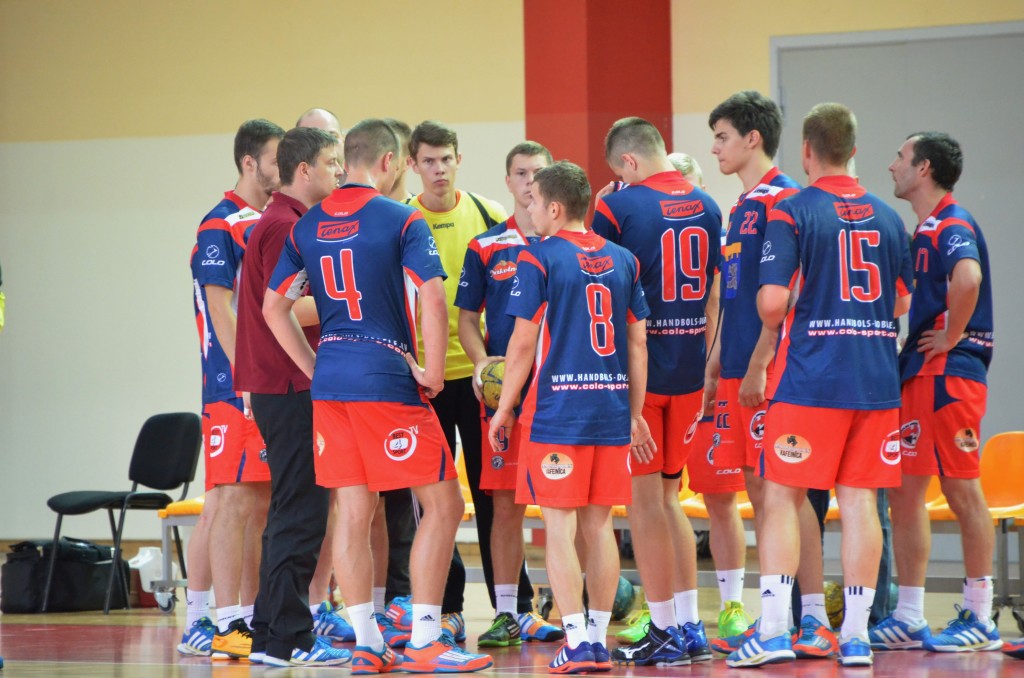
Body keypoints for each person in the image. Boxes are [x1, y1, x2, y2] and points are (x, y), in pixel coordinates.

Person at [264, 118, 493, 673]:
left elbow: (274, 308)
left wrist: (314, 366)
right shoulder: (401, 218)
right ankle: (425, 640)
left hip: (332, 386)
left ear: (348, 160)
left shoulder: (307, 224)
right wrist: (433, 372)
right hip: (386, 380)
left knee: (352, 512)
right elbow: (432, 299)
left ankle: (368, 643)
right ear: (391, 163)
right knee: (443, 504)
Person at [726, 103, 913, 669]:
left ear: (806, 150)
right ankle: (855, 636)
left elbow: (771, 304)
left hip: (810, 378)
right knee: (859, 503)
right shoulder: (889, 216)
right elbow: (901, 302)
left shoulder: (793, 209)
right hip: (875, 378)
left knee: (782, 496)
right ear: (853, 150)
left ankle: (774, 630)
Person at [489, 160, 654, 674]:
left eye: (535, 201)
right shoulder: (624, 259)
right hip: (610, 410)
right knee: (599, 526)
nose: (530, 208)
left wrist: (503, 407)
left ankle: (577, 639)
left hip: (557, 412)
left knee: (558, 527)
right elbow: (638, 342)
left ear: (555, 208)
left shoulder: (537, 258)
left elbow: (522, 344)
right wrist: (635, 413)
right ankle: (598, 641)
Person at [703, 91, 837, 657]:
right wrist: (717, 362)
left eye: (722, 137)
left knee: (786, 493)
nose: (715, 149)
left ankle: (811, 619)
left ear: (752, 138)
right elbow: (734, 296)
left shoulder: (784, 199)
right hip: (737, 368)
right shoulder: (742, 205)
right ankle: (780, 616)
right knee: (761, 494)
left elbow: (787, 298)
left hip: (773, 371)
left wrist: (759, 362)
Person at [588, 117, 718, 668]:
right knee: (669, 500)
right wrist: (709, 364)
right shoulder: (709, 205)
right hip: (690, 372)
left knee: (644, 505)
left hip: (639, 377)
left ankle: (663, 628)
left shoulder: (617, 208)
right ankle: (690, 626)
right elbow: (714, 295)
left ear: (628, 162)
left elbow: (601, 292)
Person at [868, 132, 1000, 653]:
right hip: (921, 373)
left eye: (900, 157)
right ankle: (909, 615)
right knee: (905, 494)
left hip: (949, 374)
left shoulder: (951, 223)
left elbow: (968, 279)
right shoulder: (922, 230)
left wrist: (950, 335)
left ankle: (980, 615)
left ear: (923, 168)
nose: (891, 165)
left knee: (962, 490)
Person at [407, 120, 535, 639]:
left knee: (495, 495)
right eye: (429, 161)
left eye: (446, 159)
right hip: (424, 380)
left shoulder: (489, 214)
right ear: (412, 165)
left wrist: (490, 365)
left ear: (459, 160)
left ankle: (516, 606)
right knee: (434, 502)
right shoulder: (403, 218)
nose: (439, 169)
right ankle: (448, 608)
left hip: (485, 383)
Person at [234, 127, 353, 667]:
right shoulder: (287, 226)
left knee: (291, 508)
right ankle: (291, 636)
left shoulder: (286, 221)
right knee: (302, 512)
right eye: (331, 162)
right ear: (304, 170)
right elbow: (282, 306)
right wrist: (351, 299)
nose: (340, 171)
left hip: (280, 385)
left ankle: (269, 633)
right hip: (288, 385)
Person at [455, 141, 564, 647]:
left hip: (561, 392)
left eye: (538, 173)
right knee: (503, 505)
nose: (529, 182)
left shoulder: (569, 245)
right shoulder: (486, 246)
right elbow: (466, 320)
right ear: (508, 181)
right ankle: (508, 613)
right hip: (506, 398)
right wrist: (482, 363)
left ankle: (574, 613)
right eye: (521, 173)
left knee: (568, 506)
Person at [178, 119, 281, 659]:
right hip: (231, 386)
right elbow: (221, 309)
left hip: (265, 385)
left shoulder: (271, 220)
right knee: (229, 500)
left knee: (257, 503)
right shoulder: (220, 224)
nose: (283, 169)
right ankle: (216, 621)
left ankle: (245, 618)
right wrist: (247, 377)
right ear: (249, 162)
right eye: (275, 159)